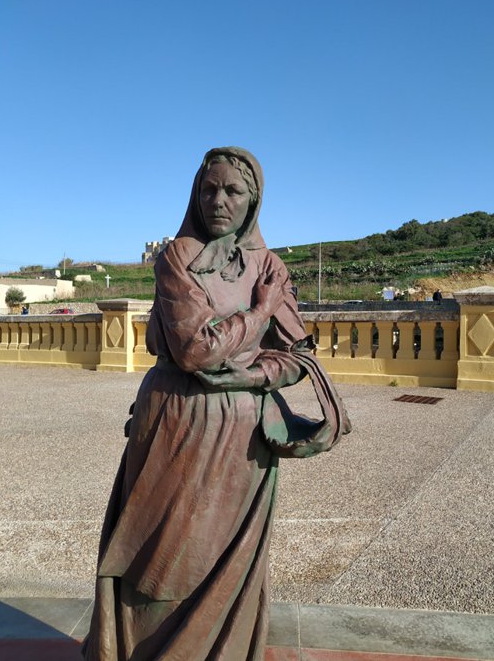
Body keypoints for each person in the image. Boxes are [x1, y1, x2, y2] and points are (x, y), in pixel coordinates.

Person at [83, 147, 349, 661]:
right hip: (174, 421)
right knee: (158, 557)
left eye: (232, 191)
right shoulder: (177, 258)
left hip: (242, 436)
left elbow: (297, 355)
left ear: (253, 200)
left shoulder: (269, 266)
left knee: (221, 556)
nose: (218, 200)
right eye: (209, 189)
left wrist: (253, 374)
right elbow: (194, 351)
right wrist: (260, 312)